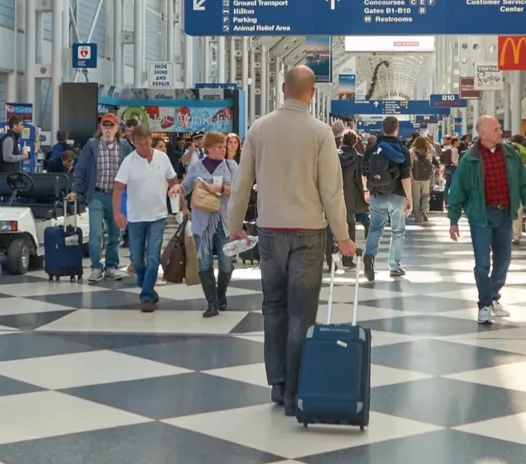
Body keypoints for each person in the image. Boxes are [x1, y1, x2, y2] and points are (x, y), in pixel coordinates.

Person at [227, 65, 356, 416]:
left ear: (283, 88)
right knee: (302, 314)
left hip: (269, 232)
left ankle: (278, 383)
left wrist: (235, 225)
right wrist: (343, 236)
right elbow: (332, 190)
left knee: (273, 308)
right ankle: (295, 390)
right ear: (312, 94)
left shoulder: (259, 129)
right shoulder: (320, 133)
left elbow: (242, 184)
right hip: (308, 233)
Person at [448, 116, 526, 324]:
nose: (501, 132)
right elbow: (458, 191)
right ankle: (484, 304)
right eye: (496, 129)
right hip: (481, 216)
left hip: (505, 214)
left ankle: (492, 295)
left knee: (503, 261)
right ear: (483, 134)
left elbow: (524, 182)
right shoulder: (469, 159)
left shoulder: (511, 155)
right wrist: (453, 220)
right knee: (482, 263)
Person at [113, 123, 184, 312]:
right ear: (132, 142)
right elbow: (118, 188)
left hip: (158, 216)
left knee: (153, 258)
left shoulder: (162, 158)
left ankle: (145, 296)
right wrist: (117, 213)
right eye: (140, 144)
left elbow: (173, 183)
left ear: (151, 138)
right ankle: (150, 290)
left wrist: (182, 205)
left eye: (147, 142)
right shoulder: (128, 162)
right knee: (137, 261)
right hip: (136, 217)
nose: (145, 147)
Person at [182, 132, 239, 317]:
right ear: (208, 149)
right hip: (202, 222)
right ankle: (211, 303)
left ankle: (221, 293)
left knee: (225, 262)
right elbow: (187, 185)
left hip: (223, 221)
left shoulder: (231, 166)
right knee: (204, 262)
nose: (222, 149)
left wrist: (222, 189)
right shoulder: (197, 166)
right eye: (218, 147)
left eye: (223, 146)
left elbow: (239, 190)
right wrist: (178, 189)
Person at [70, 113, 132, 283]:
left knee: (115, 234)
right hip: (96, 194)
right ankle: (96, 267)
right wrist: (76, 190)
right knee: (96, 232)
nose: (107, 129)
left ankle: (111, 266)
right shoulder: (91, 147)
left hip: (116, 196)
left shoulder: (125, 147)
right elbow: (80, 171)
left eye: (111, 125)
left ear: (117, 128)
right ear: (100, 128)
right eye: (104, 125)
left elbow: (134, 169)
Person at [362, 116, 412, 280]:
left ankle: (369, 256)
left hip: (377, 194)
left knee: (375, 229)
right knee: (398, 231)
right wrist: (409, 199)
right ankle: (394, 266)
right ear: (397, 129)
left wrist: (366, 191)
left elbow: (364, 172)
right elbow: (405, 177)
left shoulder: (372, 147)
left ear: (383, 128)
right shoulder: (402, 149)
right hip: (397, 196)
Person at [338, 130, 368, 268]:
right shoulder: (358, 158)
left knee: (328, 227)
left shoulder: (333, 156)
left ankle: (328, 258)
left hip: (332, 194)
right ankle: (348, 258)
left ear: (341, 141)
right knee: (350, 225)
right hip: (350, 196)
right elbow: (361, 179)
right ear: (355, 142)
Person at [409, 136, 435, 225]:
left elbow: (410, 165)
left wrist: (411, 177)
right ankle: (424, 210)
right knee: (426, 195)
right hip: (426, 177)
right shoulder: (429, 151)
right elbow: (430, 164)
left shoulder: (411, 151)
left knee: (416, 197)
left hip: (415, 177)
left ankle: (417, 217)